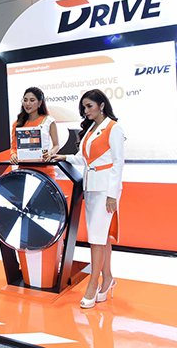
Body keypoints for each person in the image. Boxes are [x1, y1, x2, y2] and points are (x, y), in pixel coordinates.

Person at [50, 89, 125, 309]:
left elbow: (118, 163)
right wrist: (63, 156)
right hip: (91, 188)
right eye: (84, 107)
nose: (86, 110)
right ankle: (108, 279)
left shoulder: (114, 128)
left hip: (106, 190)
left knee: (96, 238)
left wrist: (112, 194)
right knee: (101, 236)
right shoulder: (91, 129)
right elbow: (85, 159)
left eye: (89, 106)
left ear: (102, 105)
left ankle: (94, 284)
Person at [10, 86, 60, 179]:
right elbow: (13, 147)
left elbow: (56, 145)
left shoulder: (48, 121)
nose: (28, 103)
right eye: (25, 100)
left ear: (40, 102)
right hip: (24, 170)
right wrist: (13, 155)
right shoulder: (17, 123)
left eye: (32, 100)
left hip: (45, 169)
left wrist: (50, 153)